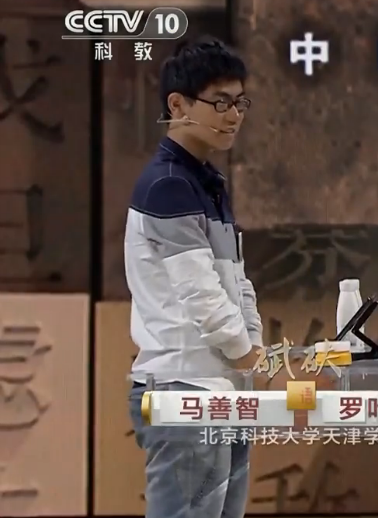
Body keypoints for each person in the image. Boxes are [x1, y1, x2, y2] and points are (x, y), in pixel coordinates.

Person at [125, 38, 261, 518]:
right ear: (178, 105)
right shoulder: (168, 184)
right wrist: (246, 354)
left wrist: (253, 353)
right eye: (219, 102)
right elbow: (201, 295)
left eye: (239, 102)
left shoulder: (207, 183)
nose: (233, 115)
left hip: (222, 388)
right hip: (184, 386)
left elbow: (236, 284)